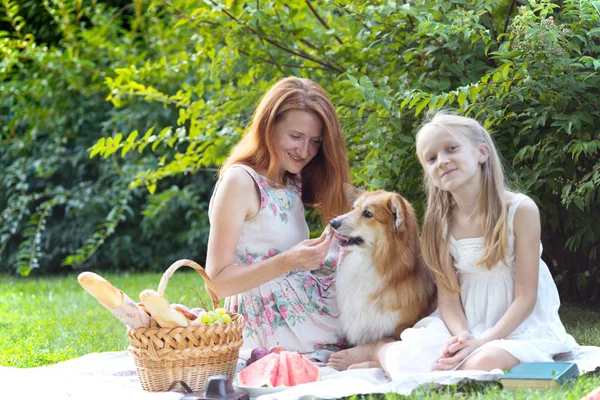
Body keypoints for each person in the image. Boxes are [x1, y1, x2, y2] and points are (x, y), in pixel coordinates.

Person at [335, 111, 577, 377]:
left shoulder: (521, 210)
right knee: (421, 354)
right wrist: (463, 338)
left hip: (517, 323)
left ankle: (382, 356)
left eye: (451, 148)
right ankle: (379, 350)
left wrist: (481, 343)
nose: (442, 160)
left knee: (482, 362)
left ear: (482, 152)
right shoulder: (439, 224)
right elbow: (448, 299)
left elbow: (526, 298)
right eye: (431, 158)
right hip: (463, 322)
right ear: (428, 172)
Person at [205, 77, 350, 362]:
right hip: (266, 318)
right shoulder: (240, 181)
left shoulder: (289, 178)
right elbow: (216, 282)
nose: (305, 151)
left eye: (315, 142)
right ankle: (372, 352)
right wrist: (290, 260)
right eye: (295, 137)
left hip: (298, 299)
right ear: (268, 128)